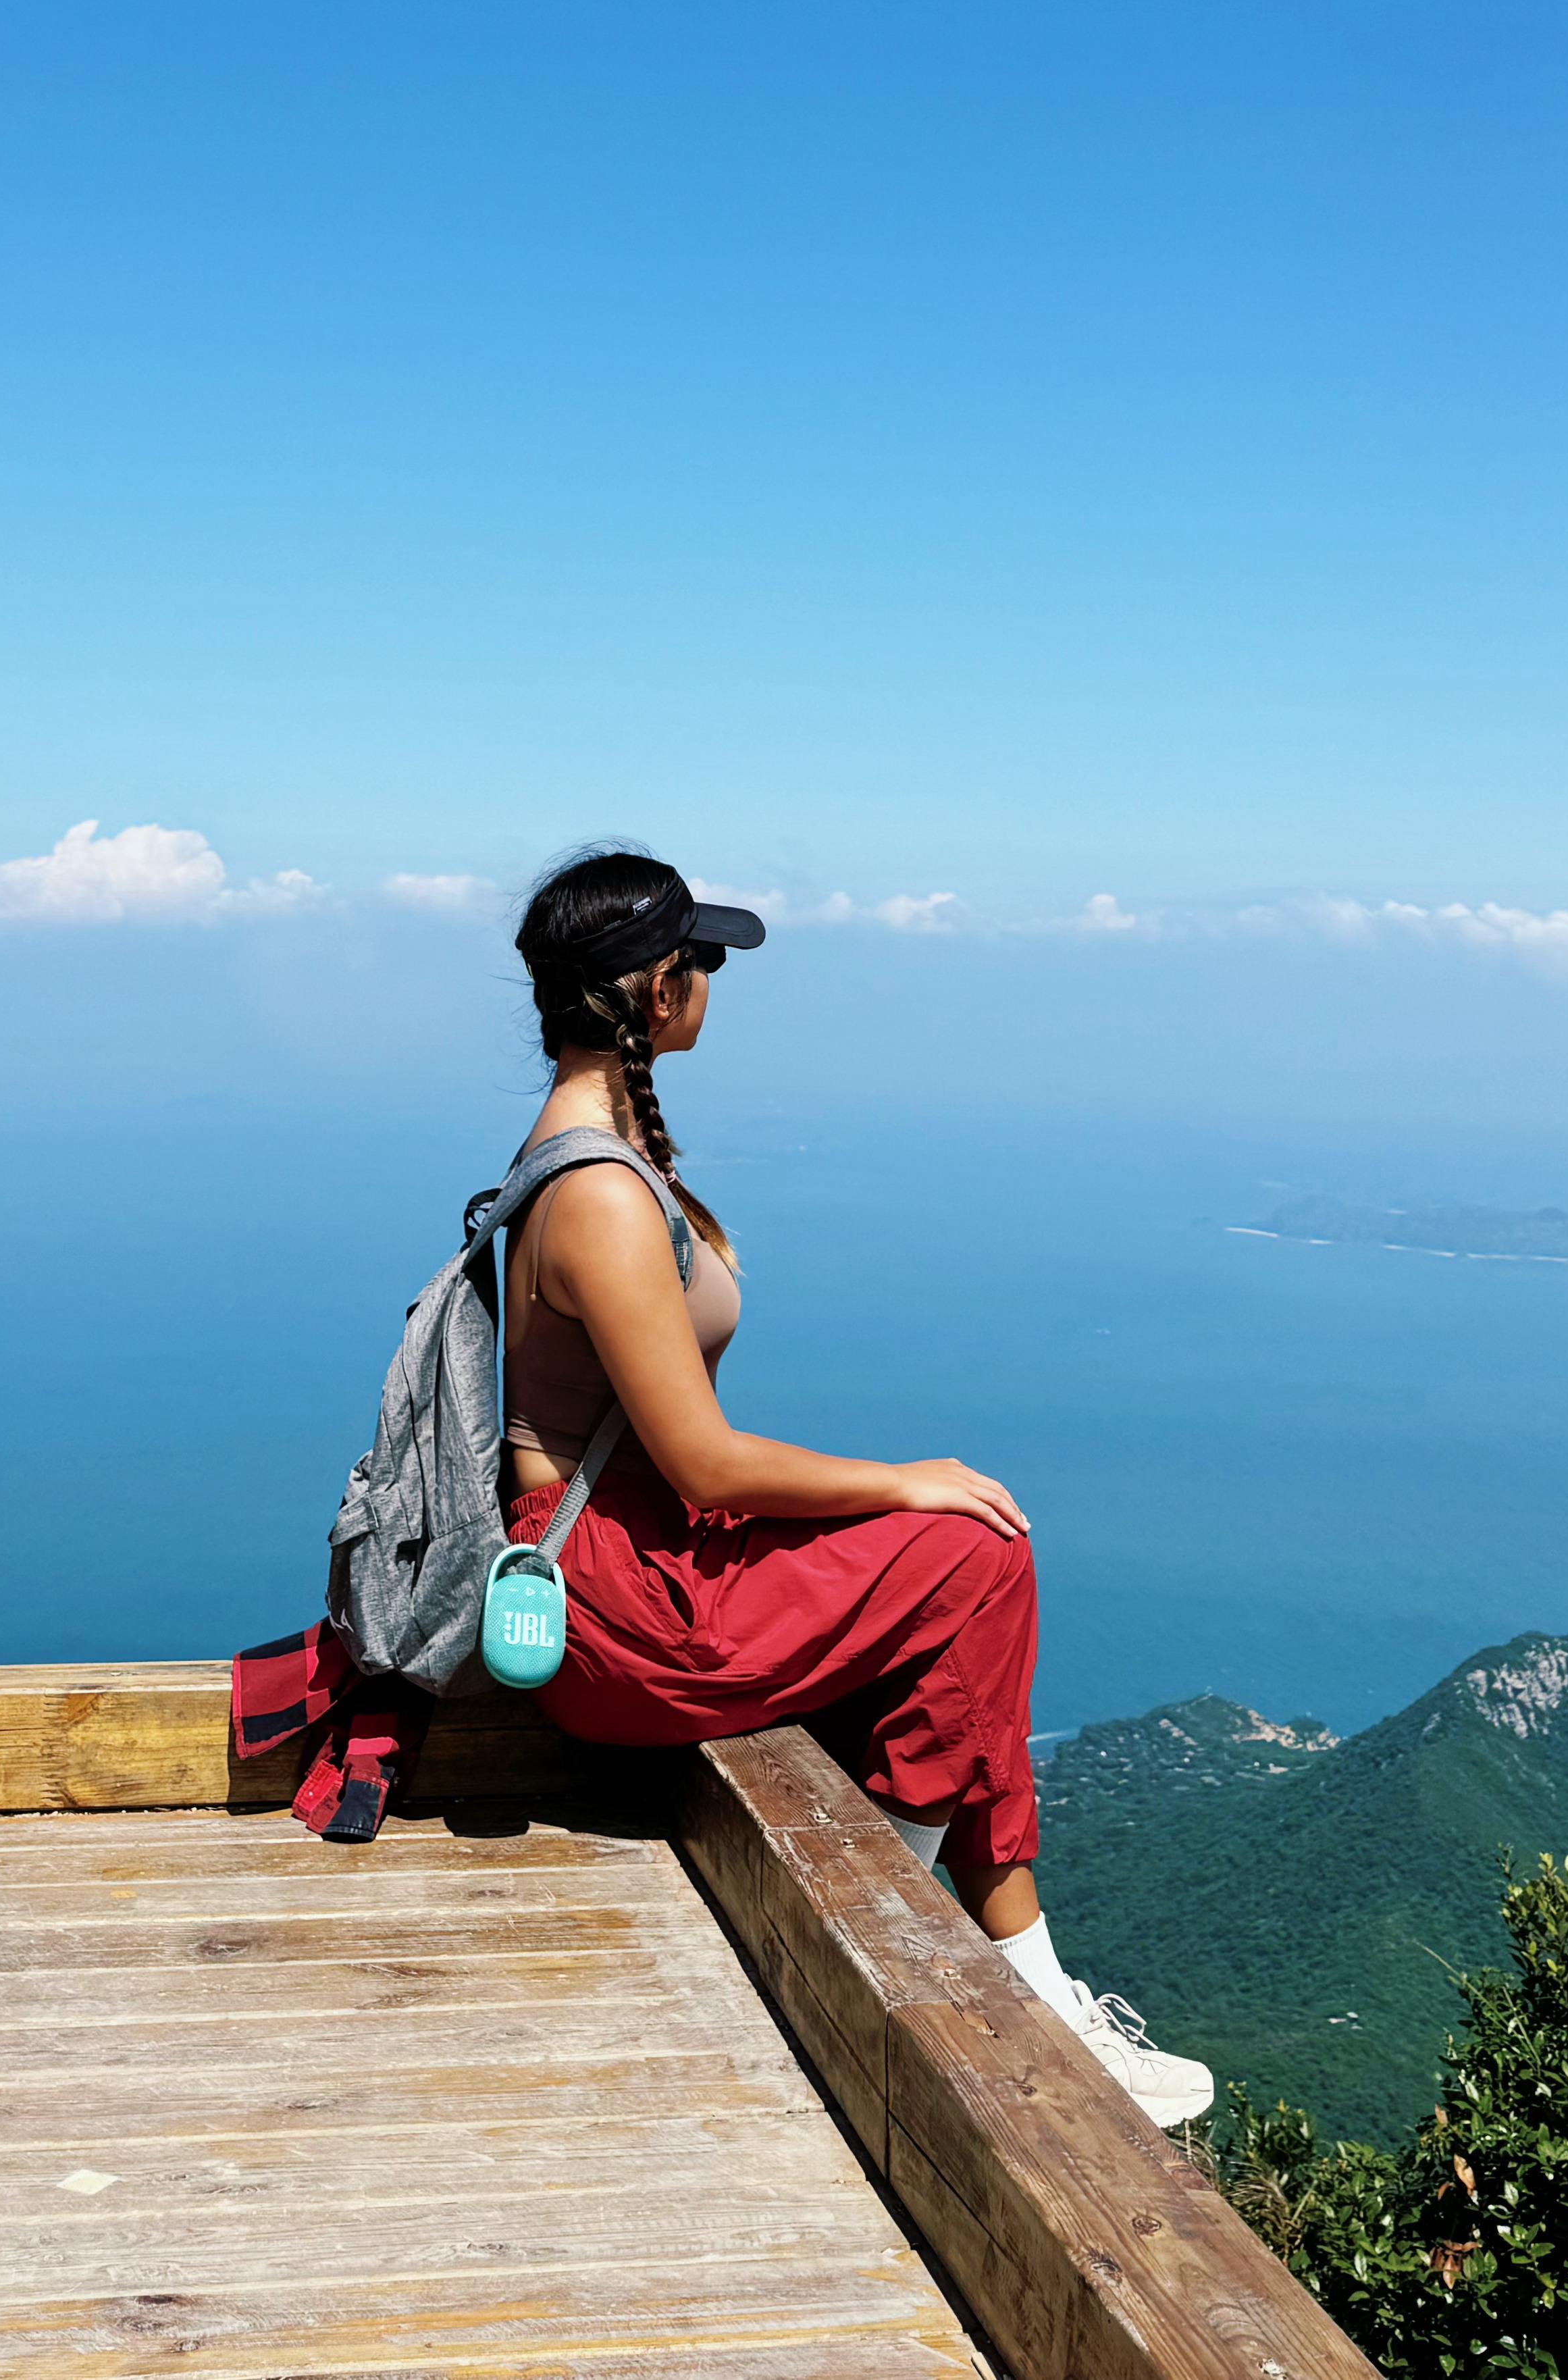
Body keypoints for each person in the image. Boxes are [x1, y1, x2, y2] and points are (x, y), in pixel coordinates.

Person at [500, 845, 1213, 2127]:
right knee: (977, 1557)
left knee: (964, 1595)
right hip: (626, 1607)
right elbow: (704, 1460)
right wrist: (902, 1480)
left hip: (647, 1563)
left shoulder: (584, 1154)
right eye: (702, 959)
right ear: (654, 990)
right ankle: (893, 1933)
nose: (715, 979)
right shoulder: (599, 1195)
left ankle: (1038, 1990)